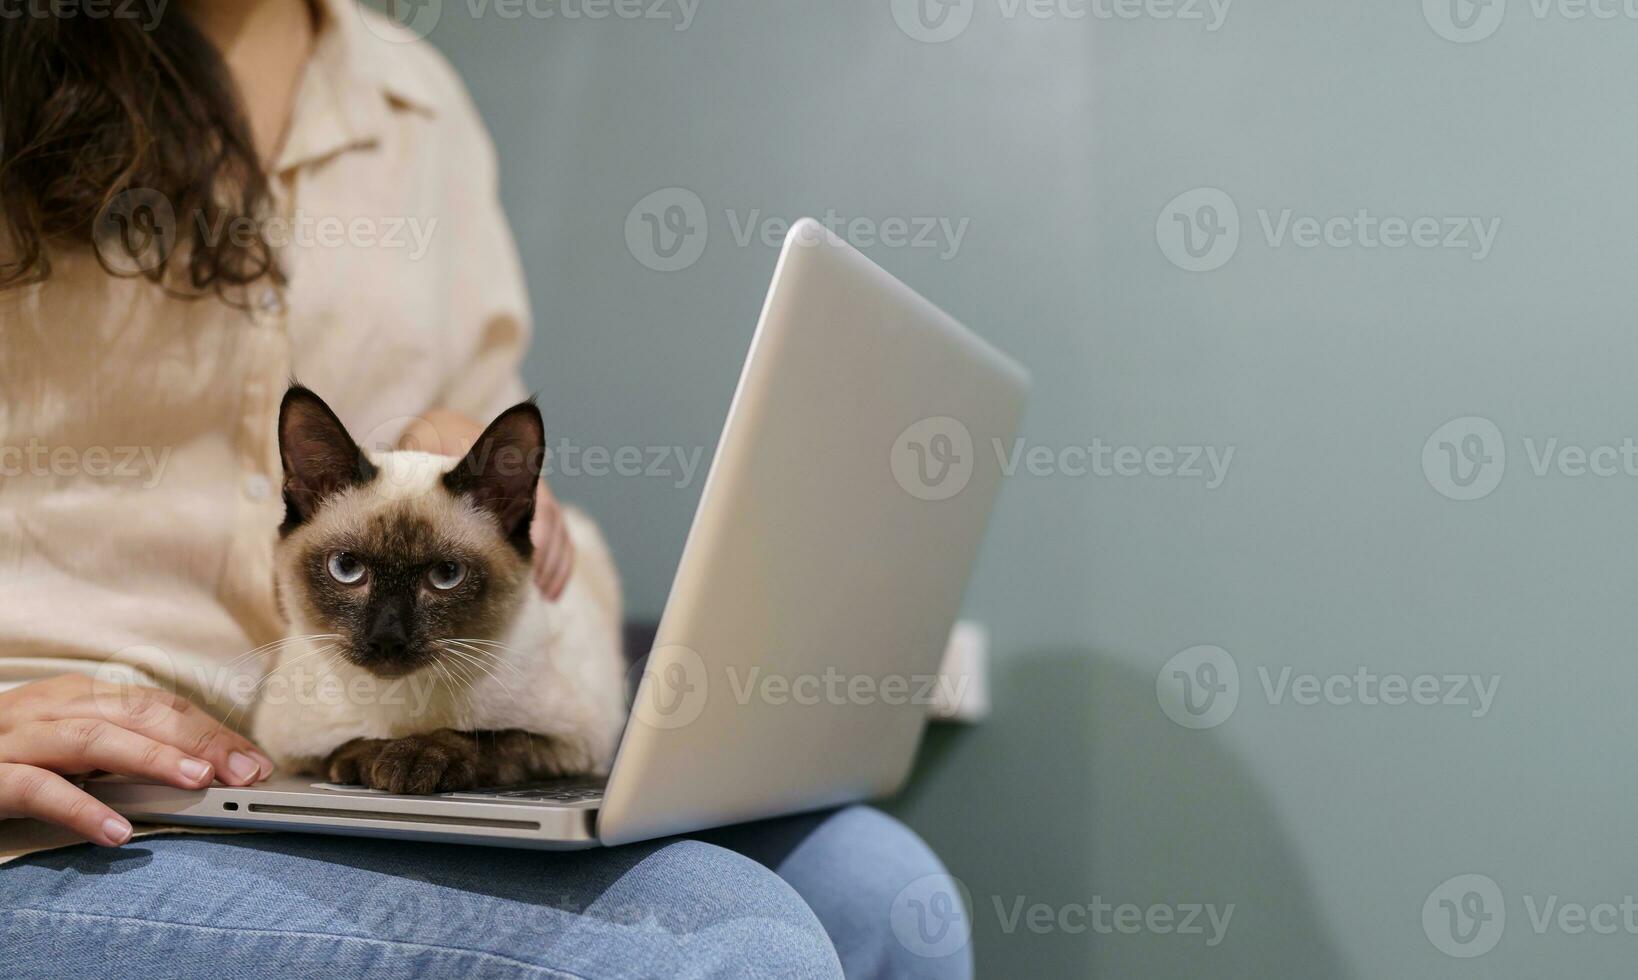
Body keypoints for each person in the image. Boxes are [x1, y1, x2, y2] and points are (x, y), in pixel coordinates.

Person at [0, 2, 971, 976]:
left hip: (362, 763)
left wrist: (483, 470)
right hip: (73, 811)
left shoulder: (416, 100)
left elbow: (508, 505)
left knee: (884, 892)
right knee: (724, 946)